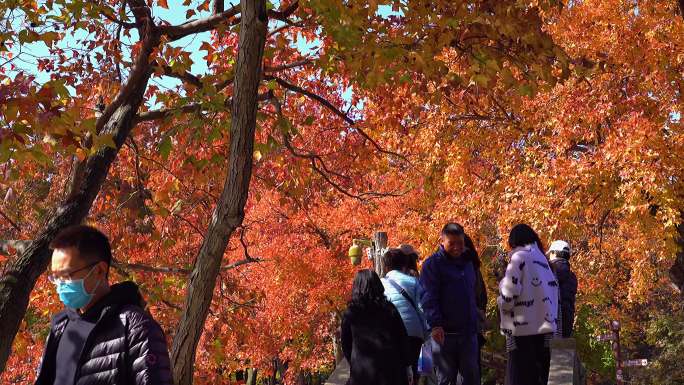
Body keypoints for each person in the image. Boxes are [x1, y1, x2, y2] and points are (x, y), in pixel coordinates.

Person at [35, 225, 173, 385]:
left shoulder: (135, 327)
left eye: (66, 275)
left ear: (100, 270)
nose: (60, 284)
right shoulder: (60, 327)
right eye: (55, 277)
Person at [497, 224, 559, 385]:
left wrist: (502, 302)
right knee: (539, 375)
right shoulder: (545, 262)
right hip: (544, 328)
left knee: (520, 376)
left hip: (522, 329)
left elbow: (509, 292)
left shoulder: (519, 258)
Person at [420, 223, 480, 385]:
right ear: (442, 241)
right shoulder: (432, 265)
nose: (456, 247)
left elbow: (472, 294)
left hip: (468, 333)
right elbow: (428, 297)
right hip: (444, 336)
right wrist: (435, 324)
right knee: (446, 380)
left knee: (472, 378)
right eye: (451, 243)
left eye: (460, 243)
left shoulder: (468, 263)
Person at [341, 269, 412, 385]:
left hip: (362, 371)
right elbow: (402, 338)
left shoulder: (351, 313)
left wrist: (354, 361)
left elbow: (345, 343)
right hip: (391, 371)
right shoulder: (389, 309)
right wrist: (407, 365)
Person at [381, 248, 427, 383]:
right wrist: (425, 333)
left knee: (395, 372)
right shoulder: (413, 282)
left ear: (386, 266)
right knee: (413, 372)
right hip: (413, 332)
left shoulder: (380, 284)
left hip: (391, 333)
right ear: (404, 264)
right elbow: (421, 309)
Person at [548, 240, 578, 338]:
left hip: (549, 329)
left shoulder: (548, 272)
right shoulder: (572, 277)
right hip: (567, 328)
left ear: (553, 253)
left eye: (550, 253)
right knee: (563, 353)